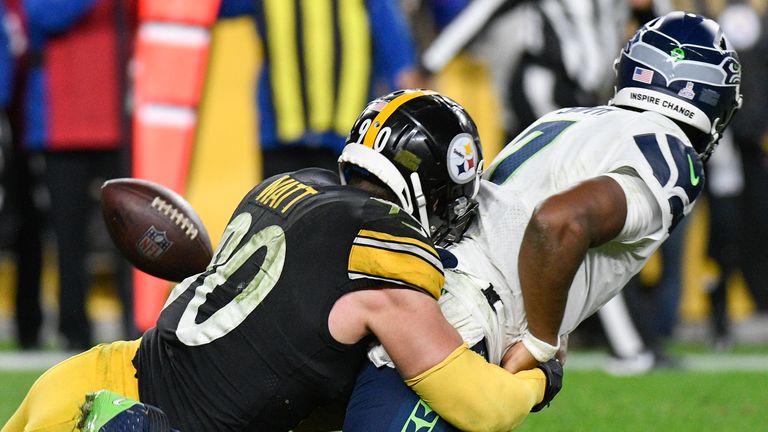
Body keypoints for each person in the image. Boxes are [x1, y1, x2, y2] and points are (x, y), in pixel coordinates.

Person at [3, 90, 562, 432]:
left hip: (84, 379)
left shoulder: (289, 186)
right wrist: (537, 373)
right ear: (435, 187)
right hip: (128, 425)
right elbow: (481, 407)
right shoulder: (386, 248)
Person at [342, 11, 743, 430]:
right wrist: (541, 339)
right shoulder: (673, 156)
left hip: (425, 289)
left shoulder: (568, 117)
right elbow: (557, 221)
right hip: (463, 324)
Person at [19, 0, 138, 350]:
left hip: (123, 124)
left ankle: (137, 327)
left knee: (134, 238)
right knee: (69, 241)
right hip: (61, 127)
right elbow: (41, 17)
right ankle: (74, 336)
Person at [218, 0, 427, 179]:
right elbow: (208, 8)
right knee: (277, 220)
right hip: (281, 138)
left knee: (338, 222)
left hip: (344, 143)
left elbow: (398, 60)